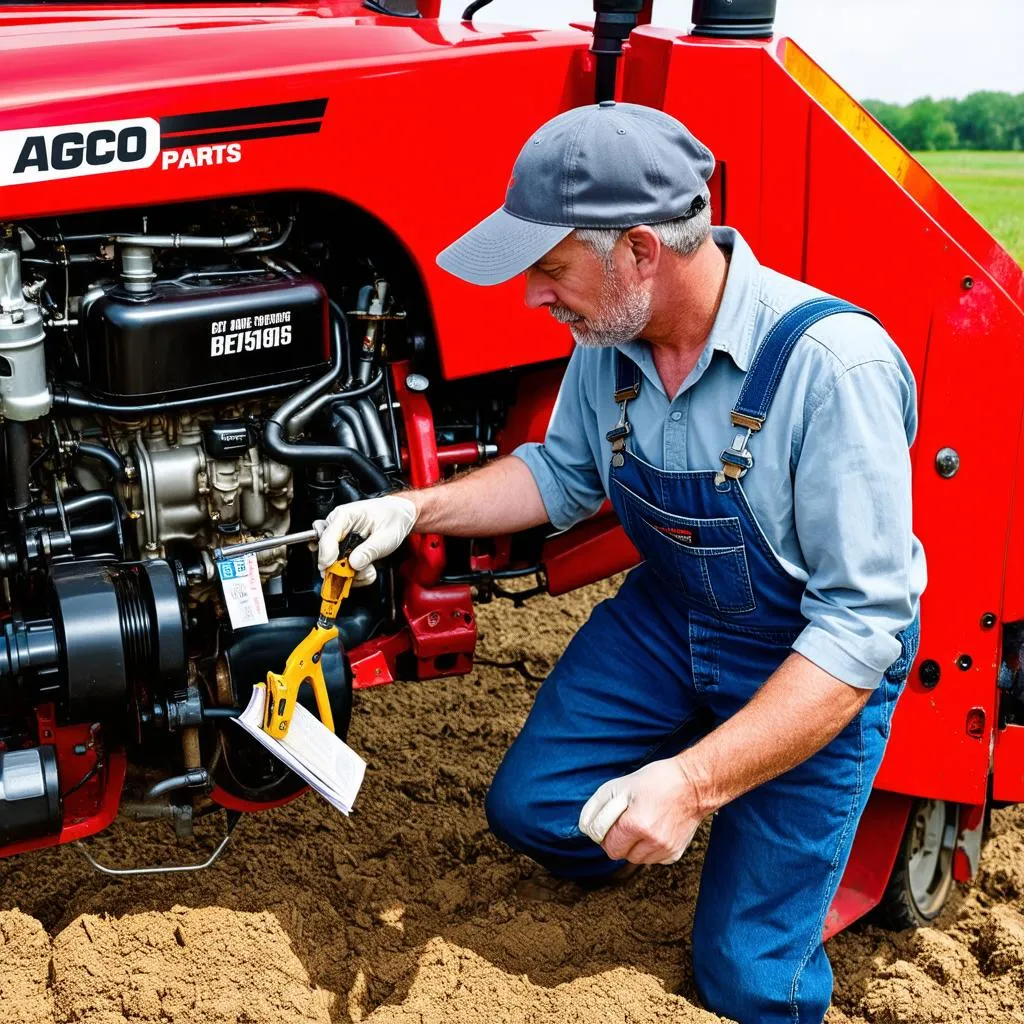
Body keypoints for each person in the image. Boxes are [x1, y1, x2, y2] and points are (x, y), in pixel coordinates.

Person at [315, 101, 926, 1024]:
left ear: (641, 250)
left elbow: (859, 629)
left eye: (550, 270)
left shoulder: (832, 369)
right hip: (671, 616)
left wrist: (689, 784)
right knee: (535, 809)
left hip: (804, 654)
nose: (533, 296)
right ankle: (696, 812)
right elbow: (559, 475)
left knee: (749, 978)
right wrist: (412, 508)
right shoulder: (612, 341)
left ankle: (741, 820)